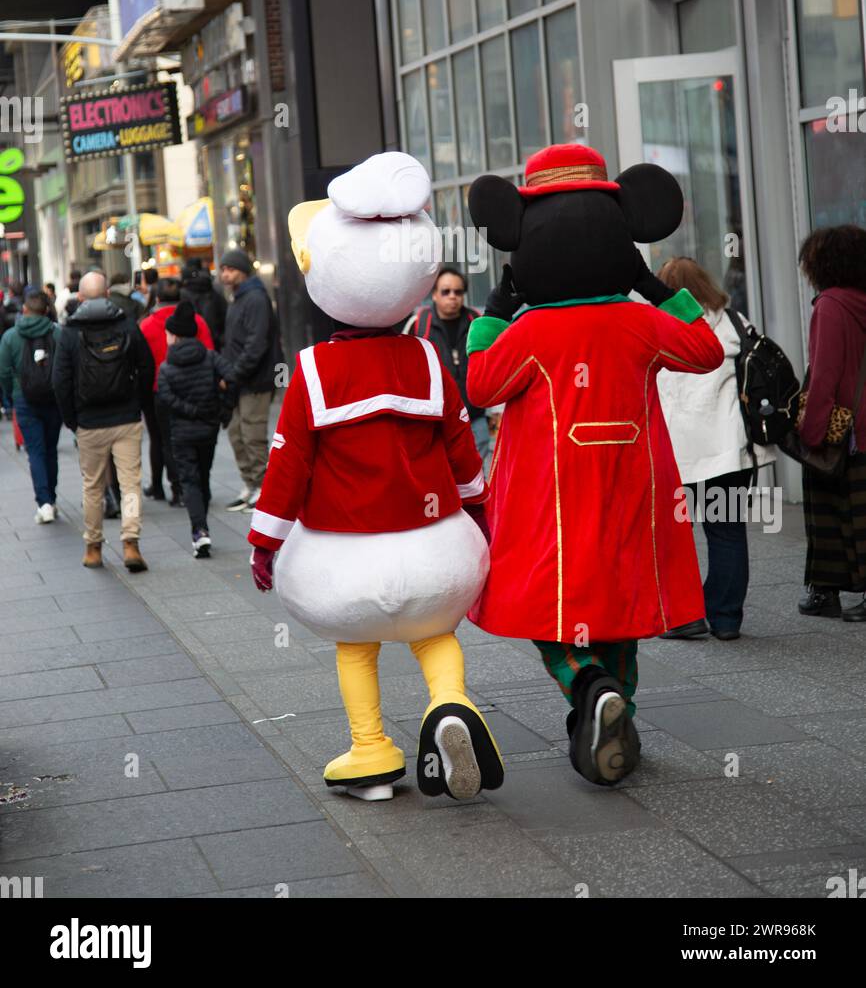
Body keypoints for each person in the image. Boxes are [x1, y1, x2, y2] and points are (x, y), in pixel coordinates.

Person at [464, 143, 724, 787]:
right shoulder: (635, 322)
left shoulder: (531, 332)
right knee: (621, 598)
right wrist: (651, 286)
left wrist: (499, 305)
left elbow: (478, 385)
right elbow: (707, 350)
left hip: (546, 494)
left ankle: (587, 686)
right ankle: (619, 713)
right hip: (633, 486)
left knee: (545, 606)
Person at [248, 152, 502, 801]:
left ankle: (372, 756)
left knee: (356, 648)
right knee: (436, 633)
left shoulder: (310, 372)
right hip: (433, 549)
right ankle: (448, 706)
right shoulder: (425, 358)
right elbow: (460, 451)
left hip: (346, 556)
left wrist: (265, 540)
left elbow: (289, 463)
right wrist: (477, 511)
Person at [655, 257, 775, 641]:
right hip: (729, 450)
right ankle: (725, 620)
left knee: (675, 536)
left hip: (678, 455)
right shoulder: (734, 323)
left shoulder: (661, 327)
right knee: (727, 532)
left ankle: (685, 617)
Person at [52, 270, 154, 571]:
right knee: (131, 483)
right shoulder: (126, 324)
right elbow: (146, 366)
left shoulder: (70, 332)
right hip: (126, 419)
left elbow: (60, 380)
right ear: (107, 294)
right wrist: (137, 403)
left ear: (80, 297)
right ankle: (131, 542)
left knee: (92, 487)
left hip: (89, 422)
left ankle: (93, 548)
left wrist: (73, 420)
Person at [797, 225, 866, 621]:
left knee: (829, 507)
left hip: (847, 429)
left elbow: (824, 374)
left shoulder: (831, 305)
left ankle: (825, 591)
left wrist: (812, 431)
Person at [156, 300, 236, 558]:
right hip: (209, 428)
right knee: (203, 474)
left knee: (189, 481)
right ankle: (202, 514)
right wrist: (223, 410)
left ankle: (199, 531)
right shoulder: (211, 358)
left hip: (181, 432)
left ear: (175, 335)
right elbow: (232, 378)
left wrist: (190, 411)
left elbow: (166, 398)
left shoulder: (166, 369)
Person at [404, 266, 494, 467]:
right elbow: (404, 369)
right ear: (434, 295)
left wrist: (492, 411)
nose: (452, 297)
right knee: (443, 475)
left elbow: (492, 364)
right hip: (436, 421)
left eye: (458, 292)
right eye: (446, 291)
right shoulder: (418, 324)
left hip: (476, 418)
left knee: (477, 474)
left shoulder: (477, 322)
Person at [140, 279, 213, 505]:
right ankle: (195, 486)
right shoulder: (197, 321)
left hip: (157, 391)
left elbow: (141, 362)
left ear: (157, 299)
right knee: (192, 438)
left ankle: (171, 487)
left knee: (161, 438)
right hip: (195, 388)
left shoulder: (147, 324)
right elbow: (210, 353)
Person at [219, 249, 280, 512]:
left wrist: (233, 373)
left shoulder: (255, 298)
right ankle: (251, 485)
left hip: (256, 380)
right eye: (223, 269)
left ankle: (265, 490)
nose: (224, 274)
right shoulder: (238, 298)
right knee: (236, 433)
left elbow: (256, 344)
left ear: (242, 270)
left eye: (229, 269)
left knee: (252, 434)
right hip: (239, 380)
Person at [0, 290, 64, 522]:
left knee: (35, 451)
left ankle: (44, 502)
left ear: (24, 310)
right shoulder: (57, 333)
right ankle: (52, 498)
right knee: (50, 449)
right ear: (46, 311)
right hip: (53, 399)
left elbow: (4, 372)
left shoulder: (10, 337)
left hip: (24, 400)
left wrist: (11, 396)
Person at [181, 258, 227, 350]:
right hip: (215, 340)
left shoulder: (183, 292)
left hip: (192, 342)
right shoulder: (214, 287)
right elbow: (224, 312)